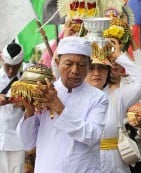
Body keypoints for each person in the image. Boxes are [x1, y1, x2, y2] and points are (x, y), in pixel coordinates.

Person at [18, 36, 109, 173]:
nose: (75, 70)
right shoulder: (44, 93)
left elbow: (92, 136)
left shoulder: (98, 98)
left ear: (89, 64)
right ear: (57, 62)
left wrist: (58, 106)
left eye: (82, 64)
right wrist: (29, 112)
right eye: (68, 63)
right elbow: (27, 141)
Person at [85, 38, 141, 173]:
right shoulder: (73, 97)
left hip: (114, 163)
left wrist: (120, 57)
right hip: (85, 161)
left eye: (102, 68)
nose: (97, 72)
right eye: (91, 68)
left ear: (108, 71)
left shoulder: (117, 96)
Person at [0, 43, 25, 173]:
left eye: (15, 68)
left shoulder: (27, 80)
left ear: (21, 63)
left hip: (17, 142)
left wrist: (25, 106)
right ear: (1, 59)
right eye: (8, 66)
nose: (10, 71)